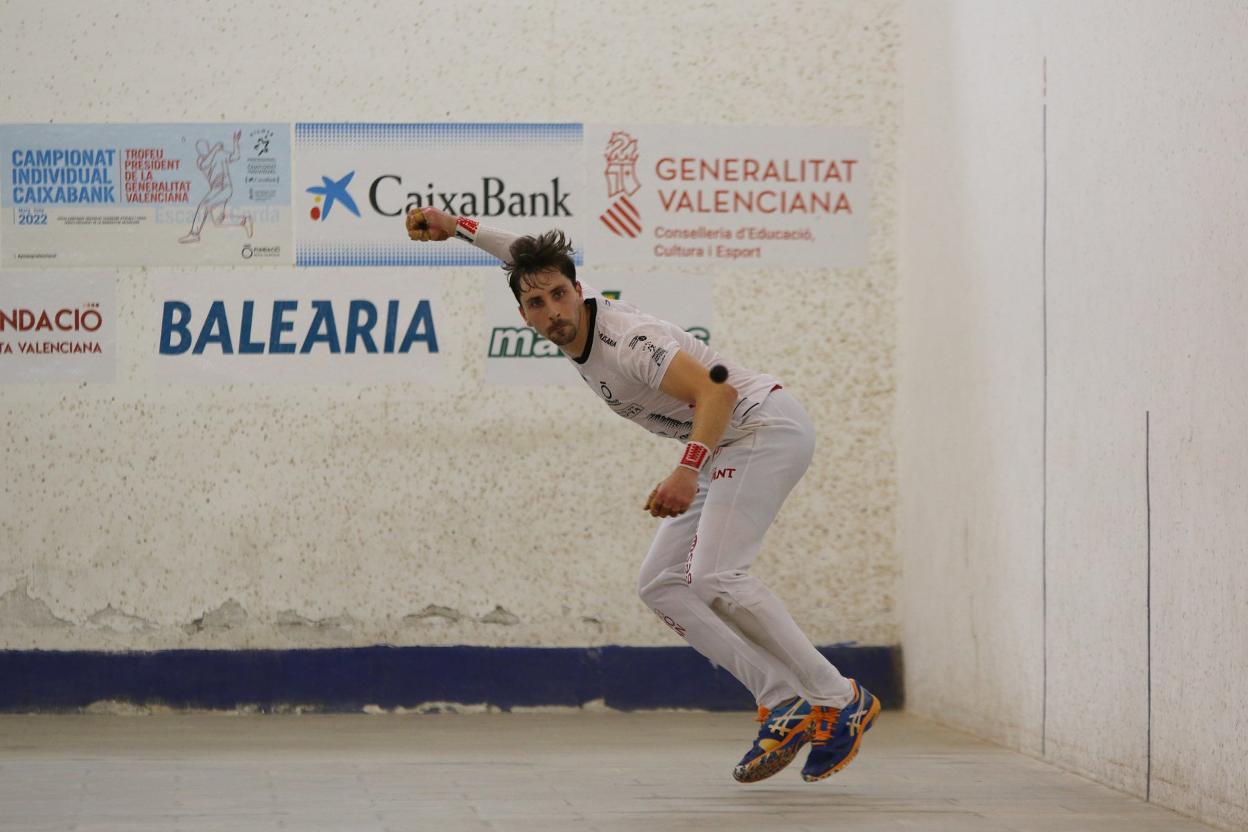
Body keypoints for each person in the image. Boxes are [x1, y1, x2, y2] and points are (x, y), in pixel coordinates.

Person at [406, 206, 880, 783]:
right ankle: (783, 700)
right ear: (523, 314)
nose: (553, 312)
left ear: (579, 289)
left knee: (716, 577)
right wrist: (453, 226)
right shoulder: (552, 296)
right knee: (660, 584)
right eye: (536, 304)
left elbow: (718, 394)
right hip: (721, 446)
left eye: (559, 295)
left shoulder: (628, 341)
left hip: (760, 428)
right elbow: (521, 256)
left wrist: (686, 470)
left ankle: (841, 698)